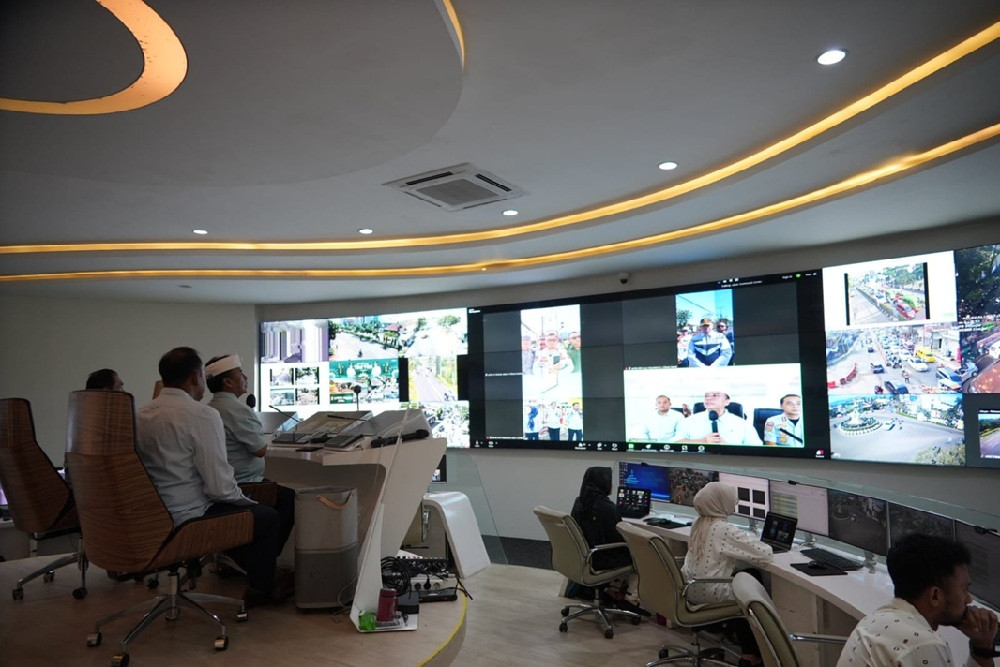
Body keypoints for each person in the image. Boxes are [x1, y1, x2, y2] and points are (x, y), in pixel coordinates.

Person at [135, 347, 288, 607]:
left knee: (259, 511)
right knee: (268, 517)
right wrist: (249, 503)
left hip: (153, 514)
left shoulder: (140, 414)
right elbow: (220, 488)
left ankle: (239, 564)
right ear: (196, 377)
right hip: (189, 516)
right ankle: (261, 589)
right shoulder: (201, 415)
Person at [837, 533, 999, 667]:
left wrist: (982, 646)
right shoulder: (922, 644)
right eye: (964, 590)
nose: (969, 600)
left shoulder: (874, 620)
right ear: (935, 596)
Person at [205, 354, 295, 553]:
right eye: (240, 373)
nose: (245, 377)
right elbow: (260, 450)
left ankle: (245, 558)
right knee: (289, 500)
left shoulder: (209, 408)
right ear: (228, 382)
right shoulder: (238, 410)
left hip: (218, 484)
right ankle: (264, 561)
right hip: (245, 483)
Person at [682, 482, 773, 666]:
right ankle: (751, 654)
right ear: (720, 502)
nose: (735, 502)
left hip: (690, 589)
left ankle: (739, 639)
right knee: (752, 578)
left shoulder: (698, 524)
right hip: (711, 593)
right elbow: (765, 554)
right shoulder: (724, 529)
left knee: (744, 574)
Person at [568, 467, 632, 602]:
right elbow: (618, 537)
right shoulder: (607, 508)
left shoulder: (579, 502)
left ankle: (612, 591)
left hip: (582, 557)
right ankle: (630, 598)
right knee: (642, 555)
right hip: (601, 559)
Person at [675, 391, 762, 445]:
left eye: (715, 395)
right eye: (706, 395)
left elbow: (757, 448)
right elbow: (674, 443)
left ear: (727, 402)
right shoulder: (688, 422)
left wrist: (729, 448)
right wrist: (702, 441)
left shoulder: (742, 424)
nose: (708, 398)